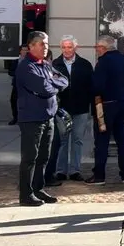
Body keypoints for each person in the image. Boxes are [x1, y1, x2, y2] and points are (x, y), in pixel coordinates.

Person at [15, 31, 68, 207]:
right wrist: (54, 85)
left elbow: (64, 80)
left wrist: (53, 83)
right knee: (30, 156)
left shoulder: (45, 65)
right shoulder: (26, 67)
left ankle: (38, 188)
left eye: (46, 44)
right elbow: (43, 88)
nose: (45, 47)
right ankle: (26, 194)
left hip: (48, 116)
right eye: (41, 44)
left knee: (44, 156)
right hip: (32, 118)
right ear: (31, 46)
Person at [87, 35, 124, 185]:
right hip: (122, 104)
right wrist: (123, 93)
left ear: (104, 48)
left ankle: (99, 176)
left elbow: (97, 86)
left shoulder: (103, 62)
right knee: (122, 141)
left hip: (105, 106)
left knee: (102, 141)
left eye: (97, 47)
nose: (96, 50)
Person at [50, 36, 94, 182]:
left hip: (81, 109)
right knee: (62, 141)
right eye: (64, 47)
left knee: (77, 140)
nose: (66, 50)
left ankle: (75, 170)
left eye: (69, 47)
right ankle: (61, 170)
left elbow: (91, 87)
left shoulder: (85, 64)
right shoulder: (55, 64)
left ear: (75, 48)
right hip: (62, 110)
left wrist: (89, 105)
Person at [5, 44, 27, 125]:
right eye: (23, 50)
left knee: (26, 102)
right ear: (20, 51)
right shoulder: (15, 61)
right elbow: (10, 71)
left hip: (27, 86)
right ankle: (15, 118)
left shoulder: (30, 62)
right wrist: (17, 74)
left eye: (26, 50)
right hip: (17, 85)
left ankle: (25, 118)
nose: (25, 52)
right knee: (13, 101)